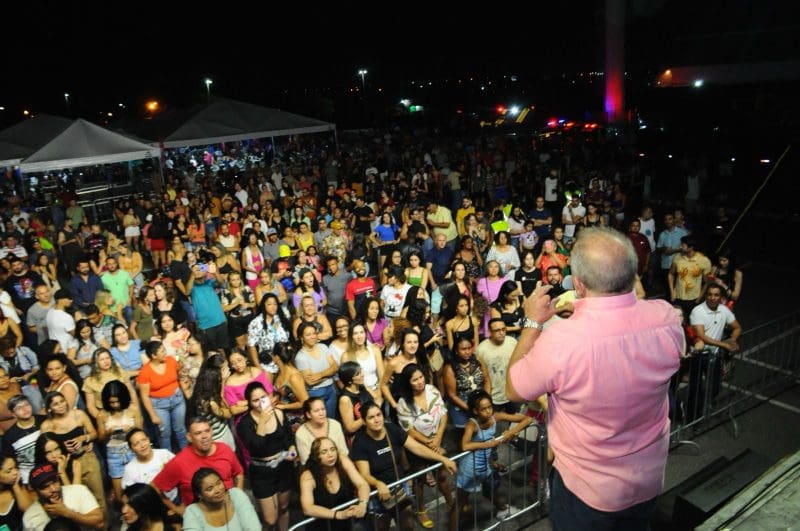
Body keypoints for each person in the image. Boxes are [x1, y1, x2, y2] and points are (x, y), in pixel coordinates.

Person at [507, 227, 684, 530]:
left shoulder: (563, 340)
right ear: (633, 273)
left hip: (586, 493)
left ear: (577, 282)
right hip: (647, 481)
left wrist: (532, 321)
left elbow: (514, 388)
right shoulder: (666, 318)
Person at [351, 401, 457, 531]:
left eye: (379, 415)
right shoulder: (360, 442)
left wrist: (442, 459)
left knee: (408, 525)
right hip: (377, 494)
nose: (377, 420)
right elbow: (364, 474)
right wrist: (378, 484)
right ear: (363, 421)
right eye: (371, 417)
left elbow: (417, 447)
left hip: (400, 487)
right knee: (381, 527)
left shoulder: (391, 429)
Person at [454, 390, 532, 520]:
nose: (488, 411)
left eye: (489, 407)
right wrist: (487, 444)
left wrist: (512, 432)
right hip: (469, 467)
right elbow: (465, 445)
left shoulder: (495, 417)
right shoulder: (472, 424)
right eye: (483, 409)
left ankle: (502, 509)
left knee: (490, 489)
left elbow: (527, 419)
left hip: (484, 465)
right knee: (460, 503)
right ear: (475, 411)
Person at [395, 364, 452, 529]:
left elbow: (443, 415)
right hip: (417, 447)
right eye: (415, 380)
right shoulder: (403, 403)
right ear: (408, 382)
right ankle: (420, 510)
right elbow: (410, 431)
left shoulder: (432, 390)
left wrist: (437, 439)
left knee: (442, 475)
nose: (420, 382)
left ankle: (451, 502)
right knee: (420, 481)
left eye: (421, 377)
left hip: (437, 441)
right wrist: (428, 443)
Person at [235, 381, 296, 530]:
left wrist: (292, 452)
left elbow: (289, 439)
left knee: (284, 508)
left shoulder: (279, 414)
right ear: (249, 403)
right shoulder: (244, 424)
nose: (261, 402)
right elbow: (256, 447)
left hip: (283, 467)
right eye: (255, 400)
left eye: (263, 397)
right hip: (262, 473)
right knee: (270, 519)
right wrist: (262, 421)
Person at [152, 418, 244, 516]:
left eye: (207, 431)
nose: (204, 436)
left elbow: (239, 473)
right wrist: (176, 509)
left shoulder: (224, 449)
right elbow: (154, 488)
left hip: (229, 509)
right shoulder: (179, 462)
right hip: (201, 517)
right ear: (189, 437)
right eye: (198, 433)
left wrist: (237, 497)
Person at [39, 392, 106, 517]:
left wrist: (83, 438)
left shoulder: (79, 414)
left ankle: (104, 525)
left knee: (99, 497)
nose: (61, 406)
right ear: (49, 408)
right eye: (56, 404)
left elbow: (94, 433)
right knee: (75, 501)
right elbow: (45, 448)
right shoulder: (46, 425)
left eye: (62, 401)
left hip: (86, 459)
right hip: (65, 466)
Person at [299, 437, 370, 531]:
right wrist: (338, 514)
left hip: (345, 523)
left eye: (332, 449)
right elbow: (307, 508)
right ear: (316, 456)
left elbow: (362, 484)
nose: (330, 454)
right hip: (320, 526)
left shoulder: (342, 460)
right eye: (324, 452)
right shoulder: (307, 476)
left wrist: (362, 504)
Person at [96, 380, 142, 502]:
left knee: (138, 488)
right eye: (112, 402)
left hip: (132, 449)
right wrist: (108, 432)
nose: (115, 405)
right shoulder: (102, 415)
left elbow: (140, 431)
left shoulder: (133, 409)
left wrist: (131, 429)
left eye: (118, 401)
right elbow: (100, 439)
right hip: (114, 454)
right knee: (120, 493)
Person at [22, 463, 104, 531]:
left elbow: (100, 523)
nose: (53, 489)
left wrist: (68, 513)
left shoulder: (78, 491)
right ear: (35, 491)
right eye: (45, 487)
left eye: (55, 482)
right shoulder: (30, 517)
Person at [181, 468, 260, 531]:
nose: (218, 490)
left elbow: (253, 528)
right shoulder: (192, 512)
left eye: (219, 483)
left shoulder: (236, 495)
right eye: (210, 488)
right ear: (199, 495)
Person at [121, 429, 177, 505]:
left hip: (175, 498)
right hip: (150, 506)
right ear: (131, 449)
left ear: (149, 440)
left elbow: (181, 471)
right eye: (136, 444)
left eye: (144, 440)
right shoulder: (129, 469)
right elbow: (130, 495)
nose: (142, 445)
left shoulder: (164, 454)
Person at [476, 318, 519, 414]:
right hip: (494, 397)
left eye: (503, 329)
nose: (502, 333)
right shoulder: (481, 350)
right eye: (497, 330)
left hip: (512, 393)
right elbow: (481, 376)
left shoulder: (512, 342)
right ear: (490, 332)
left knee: (515, 423)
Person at [2, 395, 43, 484]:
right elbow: (10, 461)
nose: (25, 409)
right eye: (19, 408)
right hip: (29, 479)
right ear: (13, 414)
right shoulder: (9, 436)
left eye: (27, 405)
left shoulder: (44, 421)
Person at [295, 397, 349, 465]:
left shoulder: (335, 424)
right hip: (316, 471)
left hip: (339, 465)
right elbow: (306, 462)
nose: (321, 413)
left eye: (323, 409)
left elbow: (343, 452)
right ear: (308, 415)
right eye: (316, 411)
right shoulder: (301, 434)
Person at [0, 453, 34, 531]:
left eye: (15, 468)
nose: (15, 472)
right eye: (9, 471)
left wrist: (16, 487)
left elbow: (29, 511)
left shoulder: (19, 488)